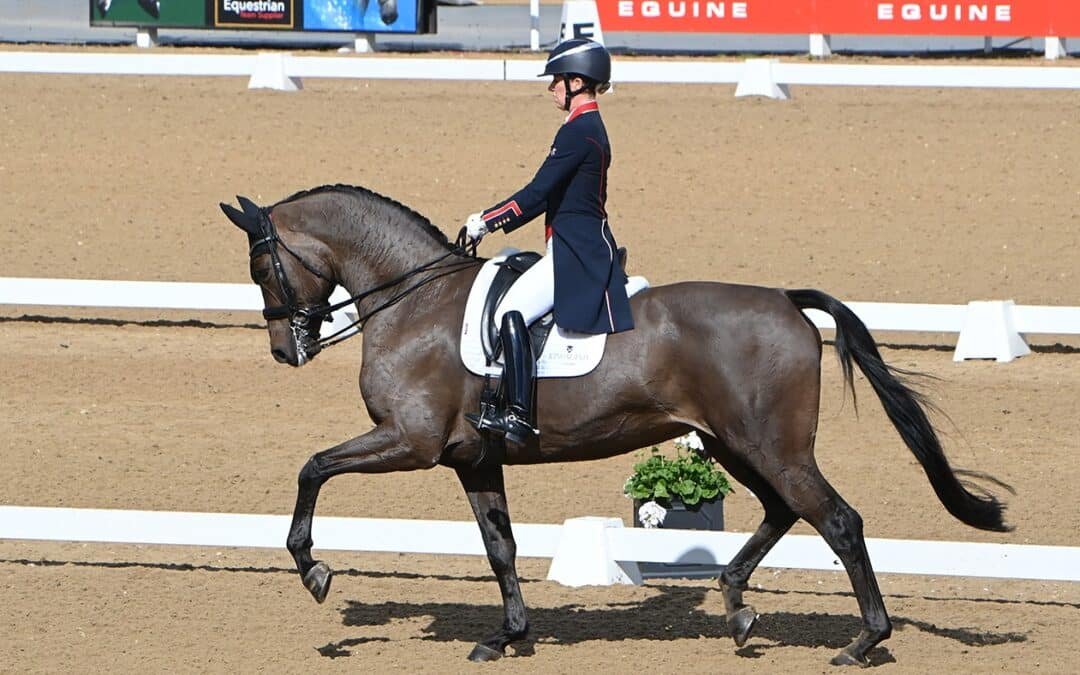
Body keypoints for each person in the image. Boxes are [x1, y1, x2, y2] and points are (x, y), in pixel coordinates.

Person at [463, 38, 634, 451]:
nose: (551, 88)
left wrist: (484, 222)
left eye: (557, 80)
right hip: (578, 243)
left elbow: (536, 194)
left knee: (512, 310)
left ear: (577, 81)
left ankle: (519, 414)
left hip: (576, 251)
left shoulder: (579, 132)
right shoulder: (585, 128)